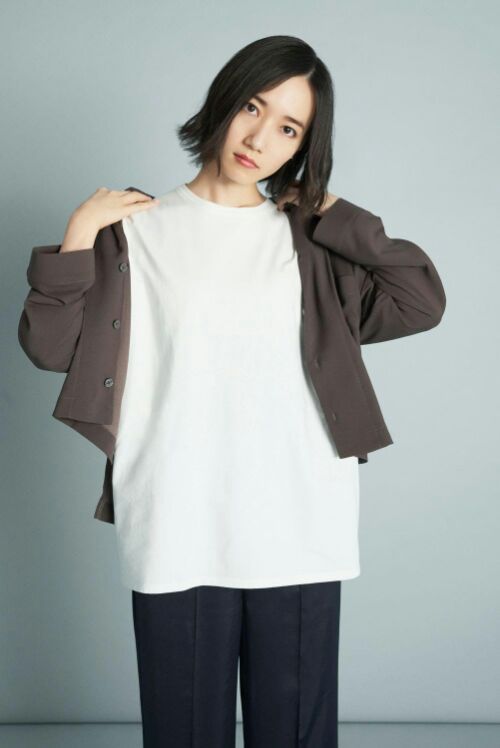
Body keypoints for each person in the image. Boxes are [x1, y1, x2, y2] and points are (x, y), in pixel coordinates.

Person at [18, 34, 446, 748]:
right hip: (176, 514)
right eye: (253, 106)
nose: (260, 137)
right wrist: (80, 233)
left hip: (300, 515)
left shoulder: (311, 240)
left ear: (304, 146)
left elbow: (419, 300)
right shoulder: (133, 233)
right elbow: (49, 346)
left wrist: (333, 209)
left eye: (289, 128)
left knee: (296, 734)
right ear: (224, 101)